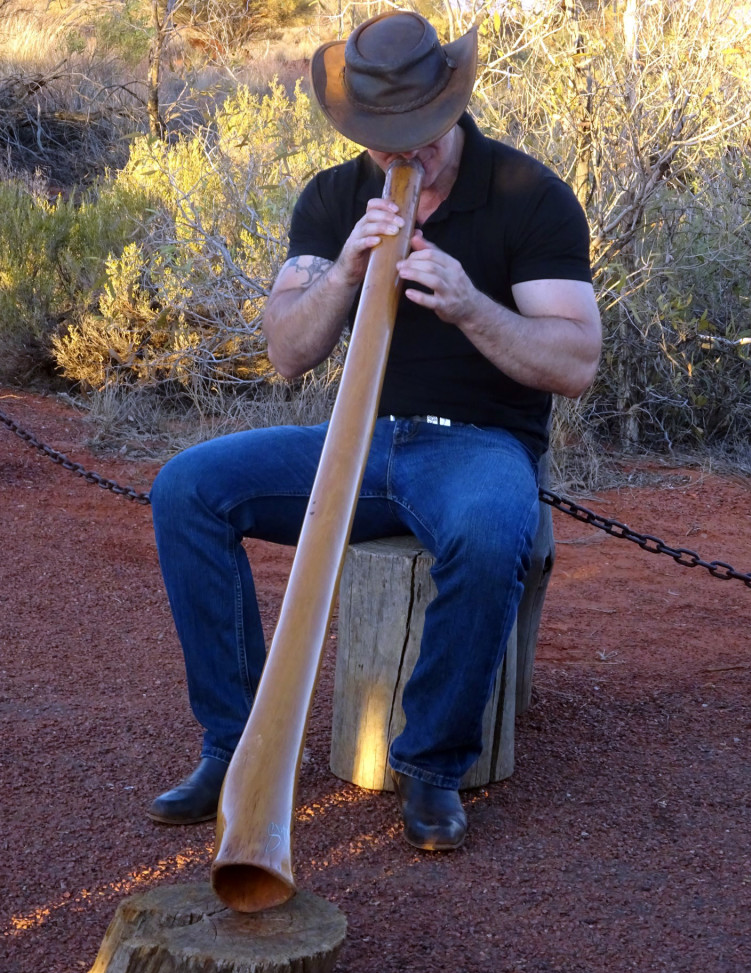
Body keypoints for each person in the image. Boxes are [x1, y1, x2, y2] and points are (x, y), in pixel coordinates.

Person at [148, 11, 602, 850]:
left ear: (449, 110)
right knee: (188, 487)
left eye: (419, 139)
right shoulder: (331, 196)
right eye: (383, 141)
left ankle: (430, 767)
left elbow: (575, 360)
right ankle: (233, 747)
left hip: (477, 447)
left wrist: (470, 306)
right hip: (358, 443)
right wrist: (347, 273)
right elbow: (287, 351)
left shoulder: (528, 195)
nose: (403, 159)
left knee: (493, 524)